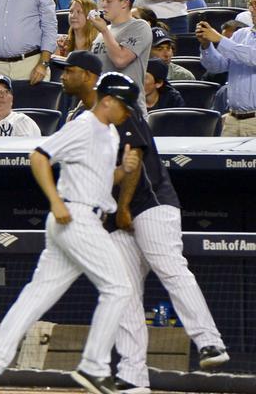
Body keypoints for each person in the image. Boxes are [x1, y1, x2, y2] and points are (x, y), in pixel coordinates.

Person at [56, 53, 230, 390]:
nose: (64, 77)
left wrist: (122, 208)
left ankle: (209, 341)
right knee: (122, 292)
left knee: (170, 267)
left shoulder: (120, 106)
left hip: (150, 206)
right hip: (115, 219)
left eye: (71, 72)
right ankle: (132, 377)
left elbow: (132, 161)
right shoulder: (82, 120)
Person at [0, 72, 140, 394]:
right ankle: (93, 367)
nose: (128, 112)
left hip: (86, 213)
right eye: (125, 105)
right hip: (75, 216)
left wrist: (124, 171)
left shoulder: (111, 134)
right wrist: (55, 200)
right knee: (119, 287)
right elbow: (39, 156)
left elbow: (104, 181)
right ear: (108, 100)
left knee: (39, 293)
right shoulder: (84, 126)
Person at [197, 0, 256, 137]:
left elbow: (251, 56)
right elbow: (218, 66)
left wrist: (219, 39)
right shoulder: (240, 34)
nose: (252, 9)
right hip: (232, 119)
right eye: (251, 4)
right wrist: (206, 45)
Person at [89, 0, 152, 113]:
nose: (103, 5)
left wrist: (104, 31)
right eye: (102, 0)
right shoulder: (102, 32)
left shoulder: (139, 26)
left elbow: (120, 60)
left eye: (109, 0)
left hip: (128, 111)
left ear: (125, 3)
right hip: (101, 111)